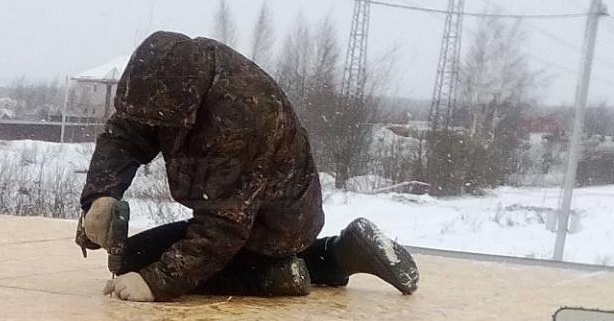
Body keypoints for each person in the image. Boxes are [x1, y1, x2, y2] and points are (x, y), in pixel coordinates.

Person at [74, 30, 420, 303]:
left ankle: (276, 275)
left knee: (139, 264)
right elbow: (126, 134)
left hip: (278, 220)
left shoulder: (236, 119)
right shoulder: (180, 77)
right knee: (137, 258)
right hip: (261, 210)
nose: (154, 125)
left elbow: (224, 228)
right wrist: (101, 195)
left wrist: (155, 282)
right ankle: (338, 254)